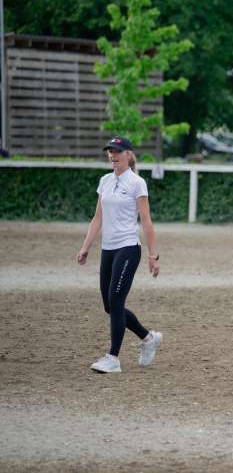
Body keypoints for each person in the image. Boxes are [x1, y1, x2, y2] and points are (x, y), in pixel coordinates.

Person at [76, 136, 162, 373]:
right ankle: (148, 337)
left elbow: (146, 221)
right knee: (109, 305)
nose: (112, 156)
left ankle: (112, 358)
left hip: (128, 248)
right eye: (109, 152)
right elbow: (98, 218)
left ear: (128, 154)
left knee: (116, 301)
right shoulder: (104, 181)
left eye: (116, 151)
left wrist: (153, 256)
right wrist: (85, 247)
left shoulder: (137, 183)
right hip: (108, 249)